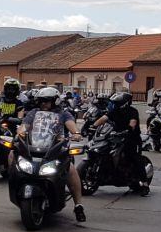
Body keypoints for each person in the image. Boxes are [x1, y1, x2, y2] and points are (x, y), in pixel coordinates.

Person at [17, 87, 87, 222]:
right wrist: (21, 131)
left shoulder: (63, 114)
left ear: (55, 101)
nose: (43, 104)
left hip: (57, 149)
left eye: (46, 101)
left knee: (71, 171)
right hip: (36, 147)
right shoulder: (34, 113)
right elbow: (24, 125)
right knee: (13, 156)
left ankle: (78, 205)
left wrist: (76, 134)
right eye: (41, 101)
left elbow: (71, 125)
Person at [94, 92, 143, 186]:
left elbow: (133, 122)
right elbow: (103, 118)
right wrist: (93, 125)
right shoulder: (114, 111)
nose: (114, 105)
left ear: (125, 103)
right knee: (104, 150)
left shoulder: (133, 111)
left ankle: (144, 183)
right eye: (114, 103)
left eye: (117, 103)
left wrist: (128, 129)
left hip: (131, 138)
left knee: (134, 157)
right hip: (116, 137)